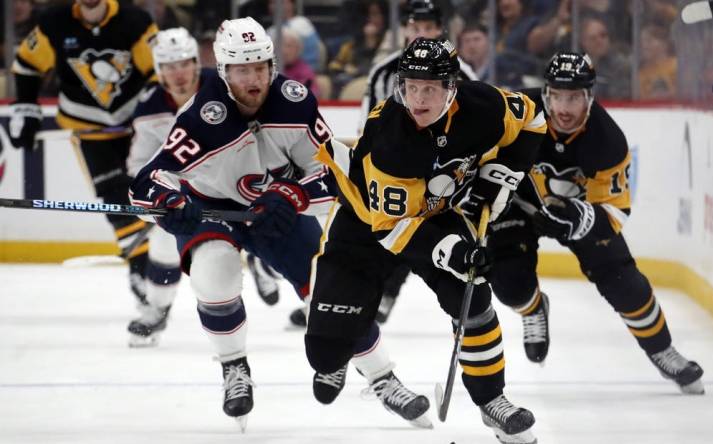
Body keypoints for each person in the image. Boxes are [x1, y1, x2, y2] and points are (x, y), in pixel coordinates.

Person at [128, 17, 430, 430]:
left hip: (276, 209)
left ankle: (382, 378)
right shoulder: (201, 117)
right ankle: (234, 367)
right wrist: (169, 200)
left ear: (272, 65)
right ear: (223, 70)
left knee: (333, 291)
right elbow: (144, 184)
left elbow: (336, 173)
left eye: (260, 67)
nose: (253, 79)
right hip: (213, 209)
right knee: (214, 273)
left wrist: (294, 194)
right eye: (241, 69)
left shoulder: (294, 101)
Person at [306, 37, 547, 443]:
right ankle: (351, 351)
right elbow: (392, 229)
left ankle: (492, 401)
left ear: (451, 88)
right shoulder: (391, 138)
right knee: (325, 353)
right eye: (411, 87)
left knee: (473, 296)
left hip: (435, 213)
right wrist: (454, 251)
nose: (417, 99)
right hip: (365, 224)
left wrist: (500, 177)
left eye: (429, 89)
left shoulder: (482, 106)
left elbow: (533, 120)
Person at [493, 52, 704, 394]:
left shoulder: (607, 140)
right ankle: (534, 309)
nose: (564, 107)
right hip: (518, 206)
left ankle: (662, 350)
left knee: (624, 281)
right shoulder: (518, 113)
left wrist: (577, 218)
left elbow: (616, 212)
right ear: (545, 92)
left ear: (589, 97)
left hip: (578, 214)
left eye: (574, 97)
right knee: (509, 284)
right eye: (557, 95)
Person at [124, 27, 281, 347]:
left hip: (241, 182)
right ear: (158, 70)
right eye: (168, 66)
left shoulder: (224, 86)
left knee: (275, 226)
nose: (177, 73)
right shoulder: (147, 108)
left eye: (183, 63)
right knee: (165, 244)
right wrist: (166, 196)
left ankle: (262, 263)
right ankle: (157, 308)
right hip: (185, 195)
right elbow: (139, 167)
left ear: (197, 62)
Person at [9, 0, 158, 321]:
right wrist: (26, 109)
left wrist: (156, 113)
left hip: (136, 124)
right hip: (86, 126)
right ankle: (139, 268)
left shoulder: (135, 21)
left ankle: (148, 264)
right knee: (112, 195)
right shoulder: (54, 22)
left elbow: (159, 72)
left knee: (143, 193)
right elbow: (26, 64)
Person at [337, 0, 476, 326]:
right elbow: (366, 132)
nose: (422, 34)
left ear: (441, 30)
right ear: (405, 29)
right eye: (416, 27)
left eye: (429, 28)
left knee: (439, 240)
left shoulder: (461, 74)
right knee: (379, 222)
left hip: (446, 177)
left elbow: (477, 133)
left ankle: (456, 309)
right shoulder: (383, 71)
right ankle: (350, 294)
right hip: (396, 171)